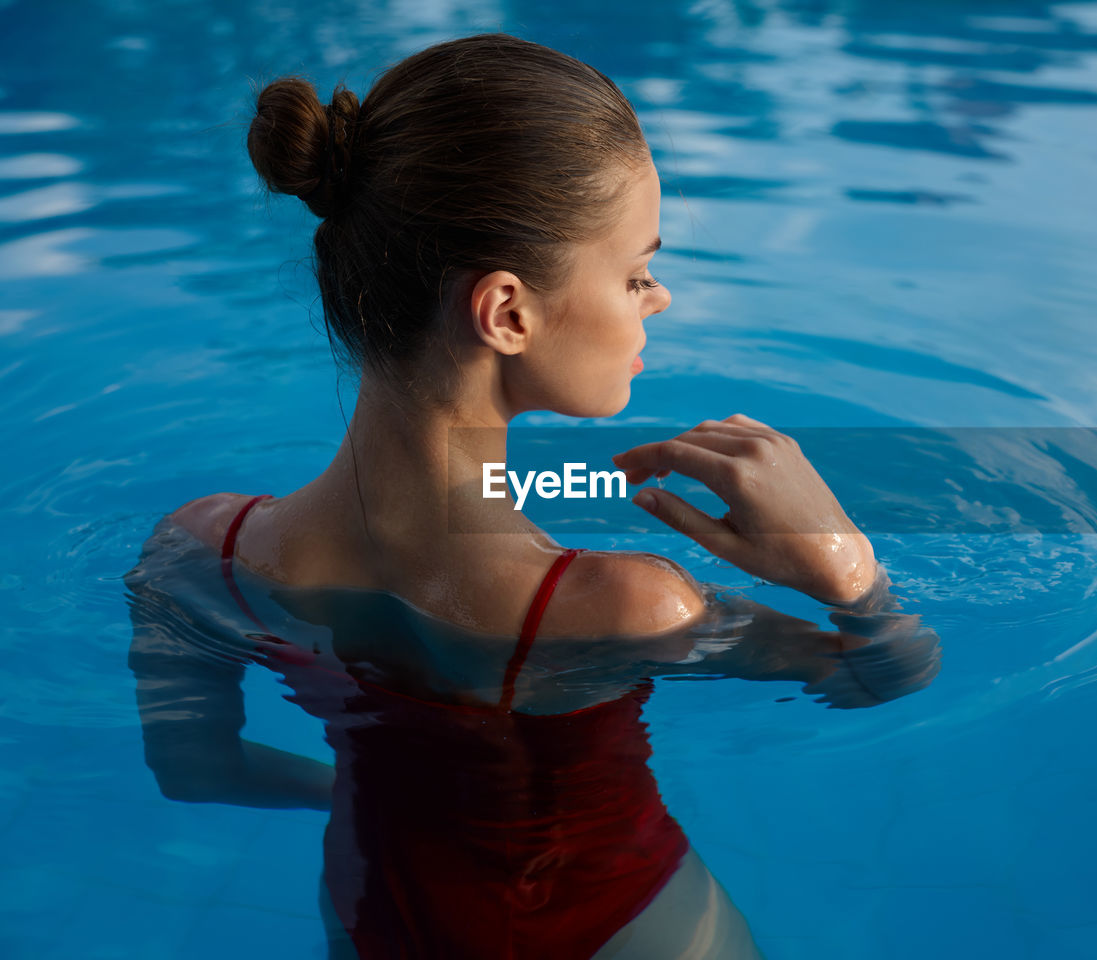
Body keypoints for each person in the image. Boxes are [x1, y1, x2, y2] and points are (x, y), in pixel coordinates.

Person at [125, 33, 940, 959]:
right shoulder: (628, 604)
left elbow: (195, 771)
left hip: (371, 920)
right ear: (507, 312)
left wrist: (373, 786)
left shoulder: (199, 548)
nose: (659, 299)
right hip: (623, 932)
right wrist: (851, 573)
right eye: (636, 272)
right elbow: (884, 678)